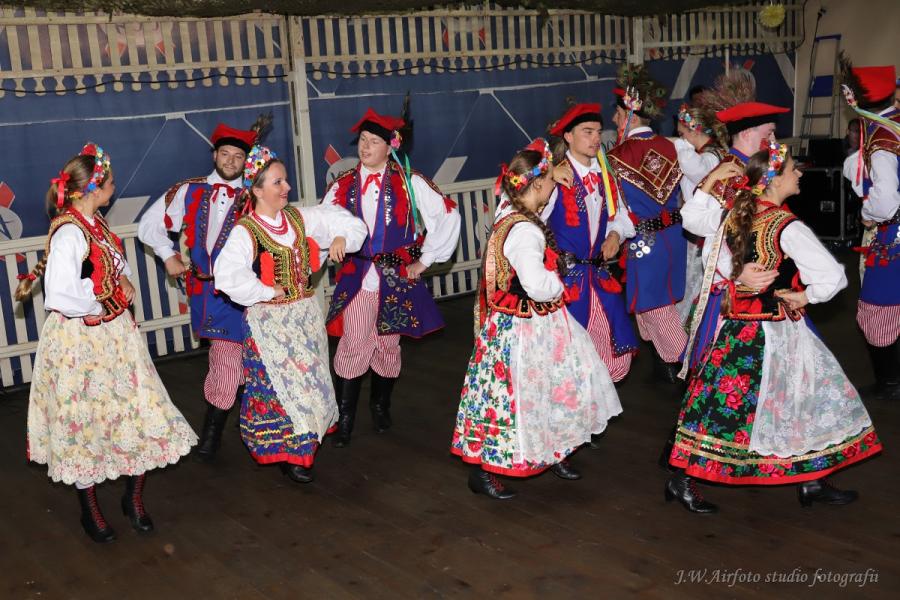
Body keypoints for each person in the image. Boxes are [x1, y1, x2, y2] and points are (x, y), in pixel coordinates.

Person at [665, 143, 882, 513]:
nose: (799, 174)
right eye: (793, 168)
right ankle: (683, 478)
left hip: (739, 326)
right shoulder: (784, 224)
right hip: (772, 331)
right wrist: (807, 296)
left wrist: (736, 274)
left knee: (767, 399)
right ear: (773, 180)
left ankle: (810, 479)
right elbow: (832, 277)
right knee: (751, 402)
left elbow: (704, 240)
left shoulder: (738, 212)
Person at [17, 143, 197, 543]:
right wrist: (100, 302)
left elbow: (111, 262)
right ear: (93, 188)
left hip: (114, 336)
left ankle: (133, 498)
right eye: (110, 181)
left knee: (139, 411)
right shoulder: (69, 233)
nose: (115, 186)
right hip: (82, 340)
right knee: (86, 423)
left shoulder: (94, 222)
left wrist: (124, 279)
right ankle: (90, 510)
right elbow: (61, 295)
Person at [451, 139, 621, 499]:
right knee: (523, 393)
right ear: (538, 185)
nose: (553, 189)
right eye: (549, 184)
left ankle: (554, 449)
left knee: (552, 386)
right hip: (526, 324)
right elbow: (535, 283)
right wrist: (557, 282)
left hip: (524, 321)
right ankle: (486, 470)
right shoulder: (525, 230)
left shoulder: (511, 215)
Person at [213, 145, 368, 483]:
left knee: (312, 383)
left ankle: (299, 449)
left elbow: (348, 222)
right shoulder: (246, 231)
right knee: (283, 388)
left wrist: (341, 237)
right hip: (269, 323)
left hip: (306, 316)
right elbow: (227, 276)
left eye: (285, 180)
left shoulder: (300, 218)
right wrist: (267, 291)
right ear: (257, 191)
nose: (287, 187)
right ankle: (294, 455)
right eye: (278, 182)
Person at [323, 108, 461, 447]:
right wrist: (335, 238)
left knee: (387, 345)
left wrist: (425, 261)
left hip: (396, 278)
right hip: (358, 276)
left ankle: (380, 405)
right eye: (363, 140)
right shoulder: (342, 184)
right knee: (354, 341)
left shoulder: (410, 181)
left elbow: (446, 214)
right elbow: (323, 221)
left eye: (374, 141)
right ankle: (344, 418)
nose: (366, 147)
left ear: (390, 147)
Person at [137, 121, 260, 462]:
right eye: (225, 154)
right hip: (212, 294)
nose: (231, 161)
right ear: (214, 155)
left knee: (250, 360)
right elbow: (149, 224)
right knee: (227, 359)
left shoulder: (257, 194)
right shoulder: (189, 190)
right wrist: (168, 254)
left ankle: (247, 428)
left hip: (251, 292)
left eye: (238, 156)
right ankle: (213, 433)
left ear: (246, 161)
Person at [544, 103, 638, 384]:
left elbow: (621, 215)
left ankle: (595, 396)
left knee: (615, 348)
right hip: (566, 280)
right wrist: (546, 175)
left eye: (598, 131)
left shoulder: (605, 175)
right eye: (587, 132)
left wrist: (615, 235)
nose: (596, 138)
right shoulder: (555, 177)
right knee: (567, 349)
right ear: (568, 136)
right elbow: (528, 217)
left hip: (597, 275)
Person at [607, 65, 687, 383]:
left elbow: (618, 208)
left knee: (656, 308)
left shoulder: (617, 157)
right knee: (652, 307)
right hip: (676, 237)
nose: (614, 120)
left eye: (617, 115)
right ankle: (669, 367)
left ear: (630, 115)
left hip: (645, 241)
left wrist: (613, 234)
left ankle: (691, 371)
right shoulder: (673, 146)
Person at [839, 58, 900, 400]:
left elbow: (886, 201)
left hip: (894, 234)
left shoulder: (883, 137)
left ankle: (890, 383)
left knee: (879, 305)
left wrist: (868, 213)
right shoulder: (893, 125)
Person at [672, 104, 729, 323]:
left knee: (698, 284)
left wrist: (680, 144)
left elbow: (693, 168)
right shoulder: (709, 153)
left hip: (706, 230)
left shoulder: (709, 158)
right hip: (700, 229)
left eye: (682, 134)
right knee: (692, 283)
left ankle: (696, 327)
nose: (681, 139)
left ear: (695, 131)